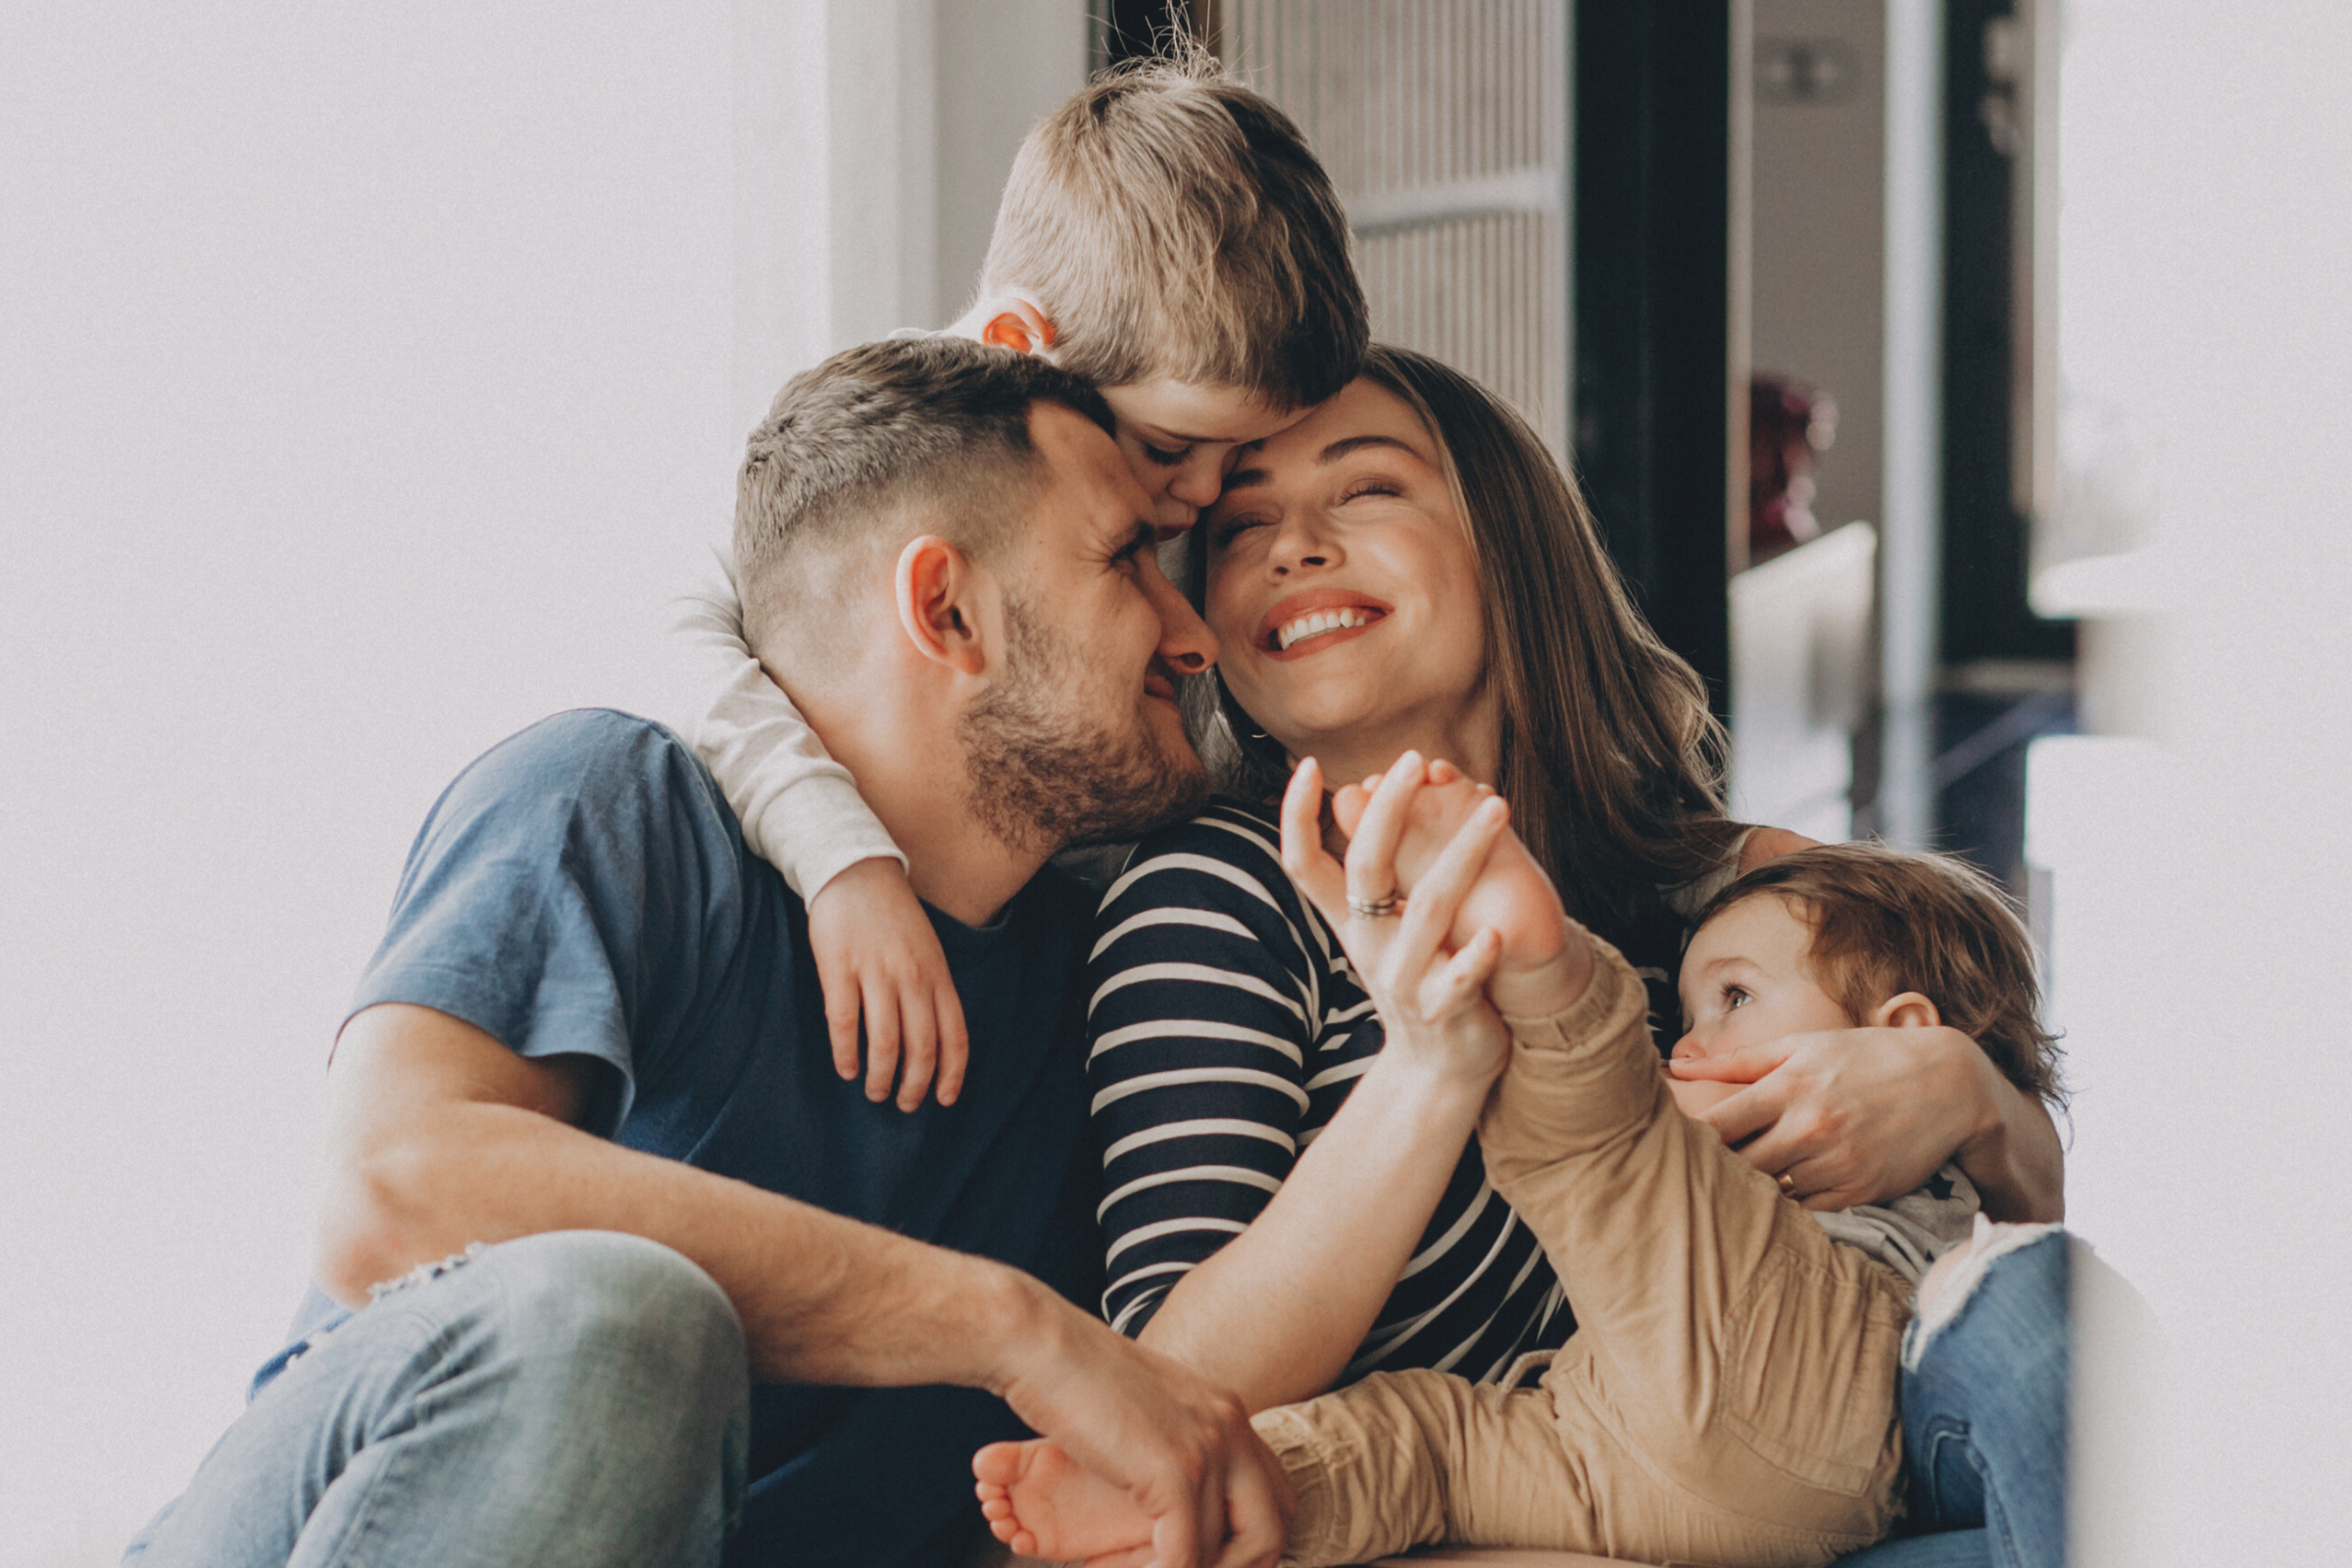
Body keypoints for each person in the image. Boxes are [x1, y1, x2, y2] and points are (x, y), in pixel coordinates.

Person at [121, 339, 1291, 1568]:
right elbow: (393, 1190)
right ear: (946, 609)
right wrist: (1011, 1328)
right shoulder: (618, 804)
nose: (1191, 629)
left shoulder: (1105, 985)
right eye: (1125, 562)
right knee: (621, 1318)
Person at [1073, 346, 2071, 1562]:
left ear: (1508, 537)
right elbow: (1175, 1389)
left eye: (1366, 489)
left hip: (1853, 1483)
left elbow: (2012, 1230)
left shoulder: (1704, 879)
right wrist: (1429, 1068)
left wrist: (1967, 1093)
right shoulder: (1220, 894)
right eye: (1242, 526)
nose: (1294, 546)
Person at [975, 824, 2067, 1567]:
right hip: (1606, 1434)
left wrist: (1972, 1094)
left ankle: (1552, 989)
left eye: (1733, 998)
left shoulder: (1678, 864)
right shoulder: (1209, 892)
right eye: (1691, 1005)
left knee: (1604, 1139)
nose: (1691, 1038)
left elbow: (2030, 1257)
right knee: (1419, 1449)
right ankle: (1191, 1509)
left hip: (1828, 1414)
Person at [673, 48, 1366, 1113]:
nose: (1201, 498)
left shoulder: (1176, 456)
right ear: (1018, 346)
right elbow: (683, 634)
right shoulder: (872, 457)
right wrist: (845, 858)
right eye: (1177, 445)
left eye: (1243, 459)